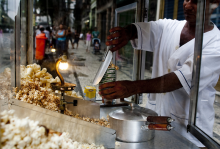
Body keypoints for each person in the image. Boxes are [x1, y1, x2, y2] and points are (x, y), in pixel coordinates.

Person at [99, 0, 220, 148]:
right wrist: (126, 33)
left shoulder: (216, 44)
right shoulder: (169, 27)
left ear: (214, 3)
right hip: (157, 122)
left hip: (190, 132)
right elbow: (141, 30)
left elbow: (179, 79)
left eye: (195, 1)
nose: (187, 5)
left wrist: (132, 87)